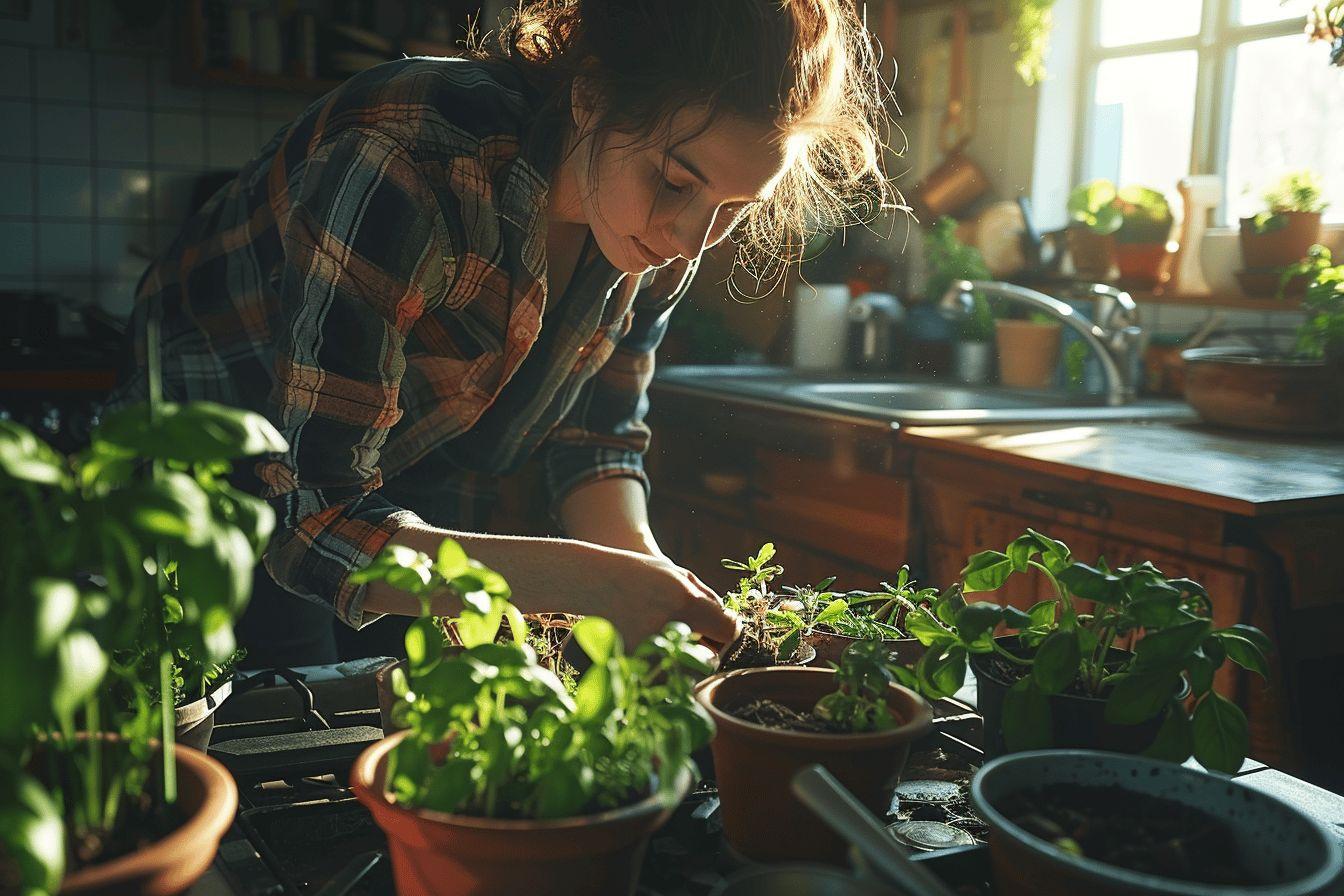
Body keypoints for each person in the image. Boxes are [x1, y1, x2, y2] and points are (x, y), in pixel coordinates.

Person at [108, 0, 896, 666]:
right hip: (213, 454)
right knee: (273, 695)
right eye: (677, 181)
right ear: (591, 97)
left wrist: (649, 579)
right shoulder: (409, 162)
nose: (691, 238)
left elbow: (595, 437)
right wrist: (590, 584)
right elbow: (318, 524)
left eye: (736, 209)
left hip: (399, 466)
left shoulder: (656, 232)